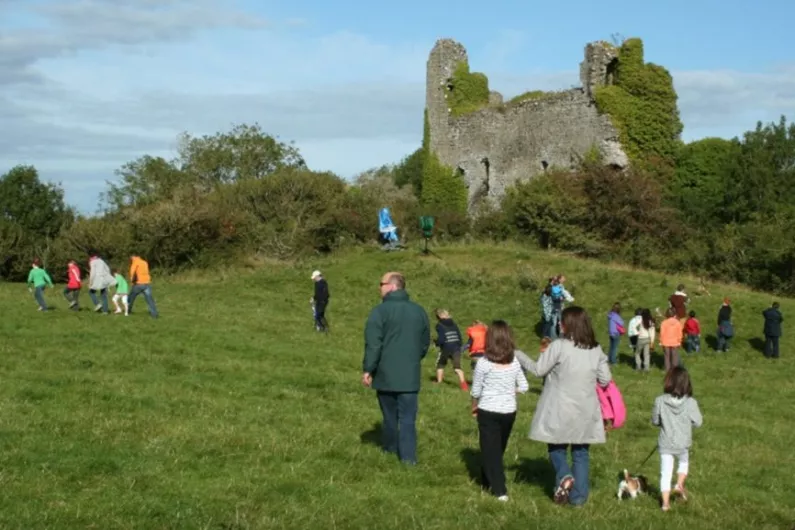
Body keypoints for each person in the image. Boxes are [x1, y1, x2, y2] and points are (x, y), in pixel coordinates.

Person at [522, 306, 612, 506]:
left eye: (561, 322)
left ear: (567, 325)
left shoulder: (559, 346)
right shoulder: (596, 349)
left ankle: (564, 475)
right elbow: (605, 379)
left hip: (559, 407)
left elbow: (538, 370)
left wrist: (518, 355)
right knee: (581, 453)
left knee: (556, 449)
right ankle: (577, 498)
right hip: (586, 409)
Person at [362, 272, 430, 465]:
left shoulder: (379, 312)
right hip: (410, 375)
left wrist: (368, 369)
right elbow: (424, 343)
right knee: (408, 419)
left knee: (389, 417)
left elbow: (373, 344)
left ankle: (390, 449)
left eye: (381, 284)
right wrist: (413, 359)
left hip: (384, 374)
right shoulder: (419, 311)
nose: (379, 288)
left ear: (392, 287)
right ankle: (408, 458)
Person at [470, 320, 529, 501]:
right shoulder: (514, 363)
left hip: (488, 410)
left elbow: (476, 390)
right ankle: (487, 480)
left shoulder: (483, 363)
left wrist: (474, 405)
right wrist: (511, 391)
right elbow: (524, 386)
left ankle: (500, 490)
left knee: (491, 450)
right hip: (508, 412)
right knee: (496, 449)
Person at [651, 367, 703, 512]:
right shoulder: (691, 403)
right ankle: (679, 484)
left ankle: (665, 504)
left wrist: (665, 422)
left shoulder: (659, 401)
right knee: (683, 462)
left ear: (668, 381)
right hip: (683, 443)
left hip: (665, 443)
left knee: (665, 473)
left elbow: (655, 421)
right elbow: (698, 422)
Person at [433, 309, 467, 391]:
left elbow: (442, 339)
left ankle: (439, 382)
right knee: (457, 368)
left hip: (446, 347)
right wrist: (459, 346)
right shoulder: (454, 324)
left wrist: (436, 343)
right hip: (456, 347)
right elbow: (459, 337)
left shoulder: (439, 325)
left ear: (440, 317)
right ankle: (464, 385)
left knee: (440, 364)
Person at [128, 253, 159, 318]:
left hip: (138, 284)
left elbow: (132, 272)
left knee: (130, 298)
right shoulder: (144, 262)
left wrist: (132, 281)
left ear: (133, 256)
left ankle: (127, 311)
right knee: (150, 300)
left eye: (131, 257)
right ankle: (154, 314)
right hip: (147, 283)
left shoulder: (135, 262)